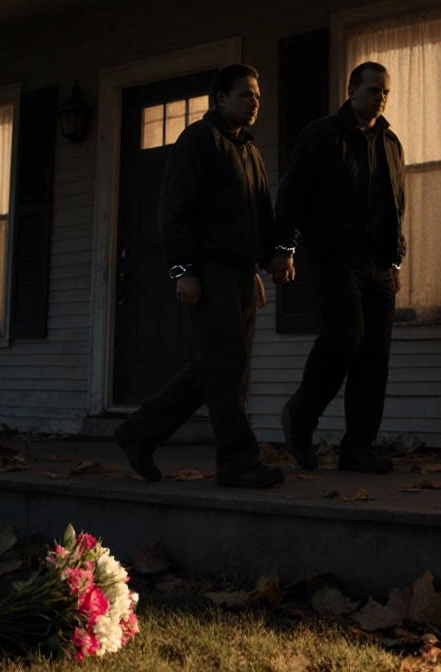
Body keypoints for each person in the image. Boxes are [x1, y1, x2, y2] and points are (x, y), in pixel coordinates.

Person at [114, 64, 293, 489]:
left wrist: (261, 264)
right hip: (206, 271)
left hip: (238, 273)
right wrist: (183, 271)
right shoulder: (198, 140)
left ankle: (139, 432)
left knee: (227, 366)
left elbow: (259, 216)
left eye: (258, 96)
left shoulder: (249, 150)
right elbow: (174, 212)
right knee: (227, 362)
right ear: (221, 99)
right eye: (246, 95)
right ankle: (236, 462)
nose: (255, 102)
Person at [272, 62, 405, 475]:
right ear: (351, 90)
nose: (379, 97)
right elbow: (292, 195)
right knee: (345, 337)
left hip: (380, 265)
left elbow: (397, 206)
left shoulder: (391, 142)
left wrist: (396, 258)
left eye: (385, 91)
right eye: (372, 90)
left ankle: (357, 450)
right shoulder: (322, 135)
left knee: (374, 357)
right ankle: (300, 415)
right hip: (334, 259)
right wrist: (283, 248)